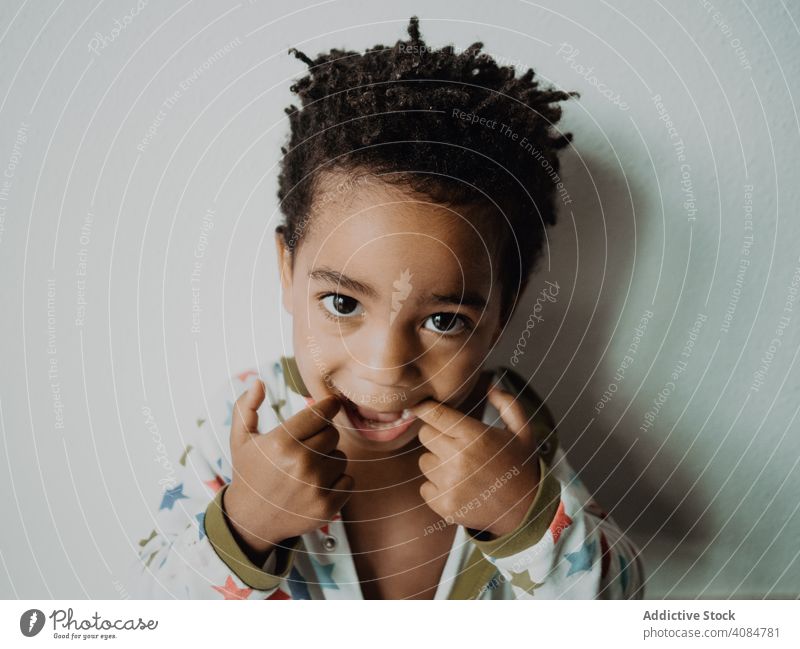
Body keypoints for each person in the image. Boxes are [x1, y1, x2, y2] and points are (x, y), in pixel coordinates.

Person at [127, 15, 645, 600]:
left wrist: (525, 521)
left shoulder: (509, 430)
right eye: (343, 303)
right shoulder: (248, 420)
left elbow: (620, 601)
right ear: (286, 272)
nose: (384, 363)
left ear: (506, 308)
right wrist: (247, 525)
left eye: (444, 320)